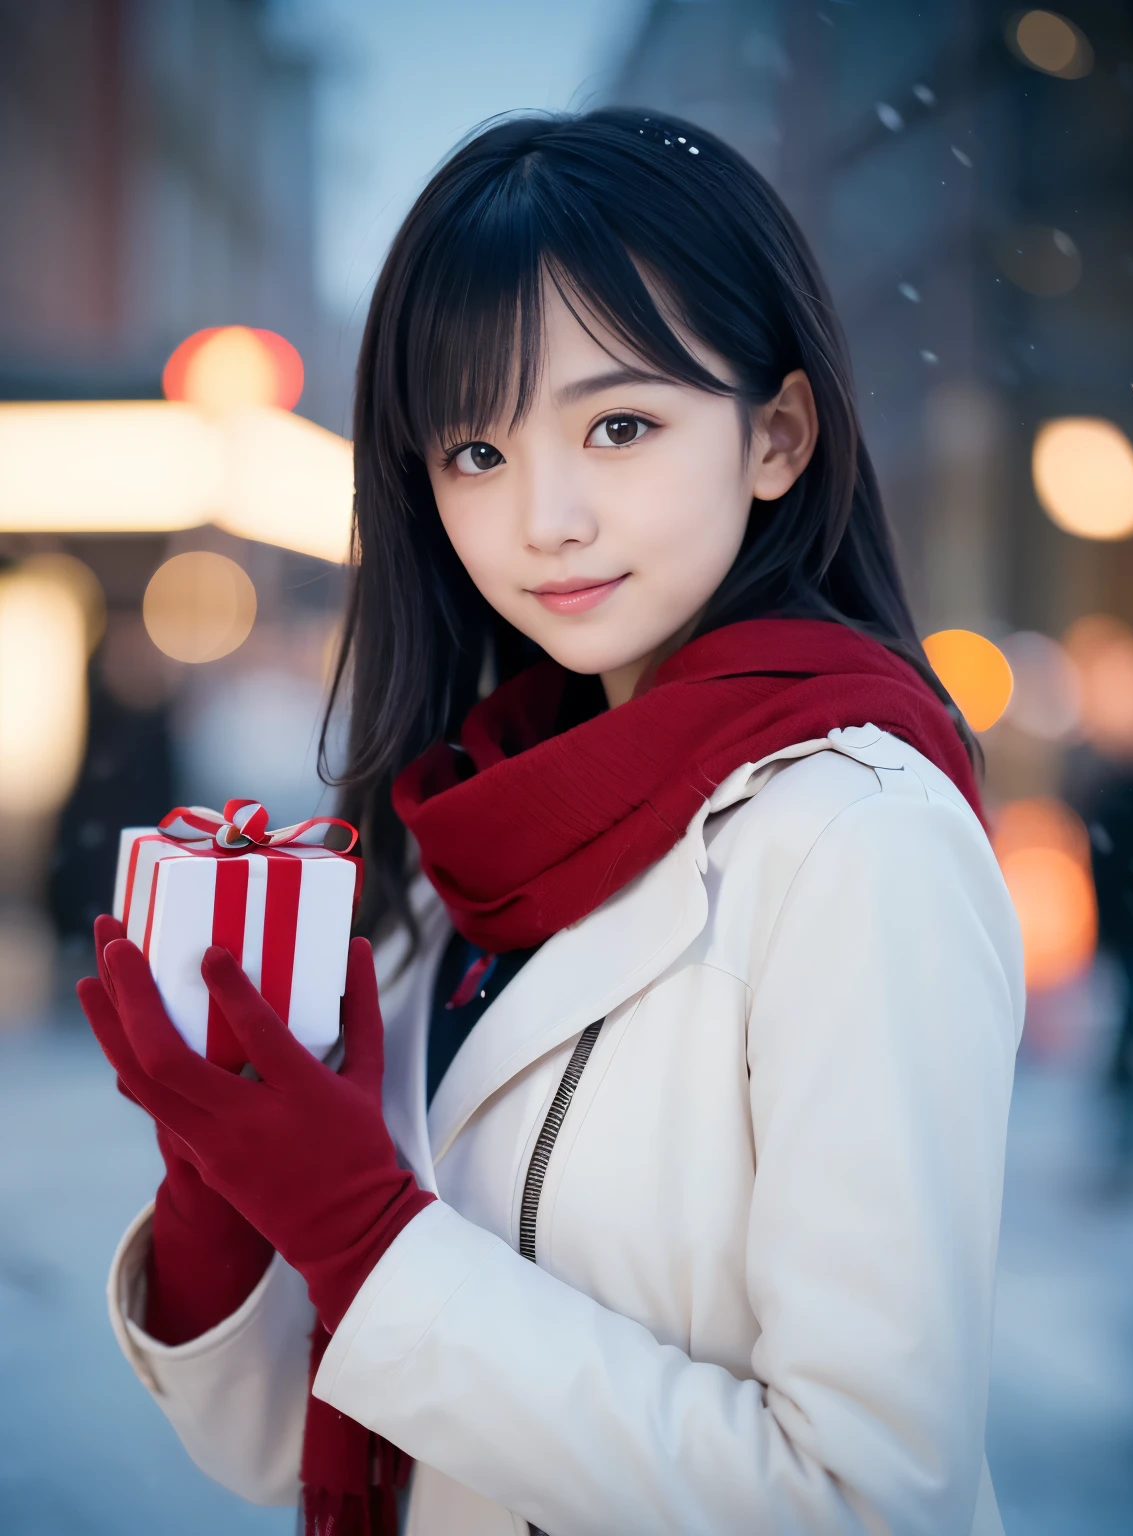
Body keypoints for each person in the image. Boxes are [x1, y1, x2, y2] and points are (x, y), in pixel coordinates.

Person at [80, 111, 1024, 1536]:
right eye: (474, 449)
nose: (547, 518)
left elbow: (867, 1503)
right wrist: (228, 1207)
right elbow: (358, 1443)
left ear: (775, 435)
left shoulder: (855, 841)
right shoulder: (469, 832)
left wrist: (363, 1230)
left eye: (620, 425)